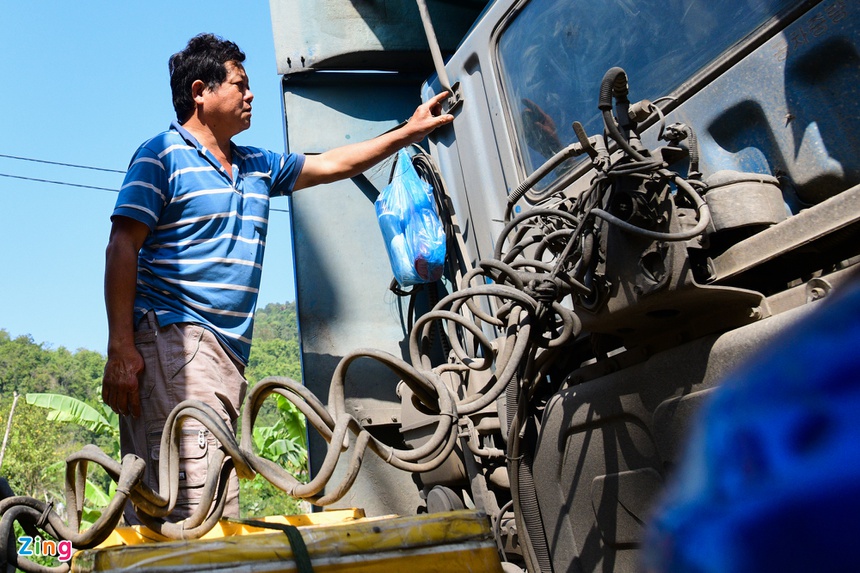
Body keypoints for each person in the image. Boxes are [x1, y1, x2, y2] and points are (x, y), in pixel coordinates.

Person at [101, 33, 453, 523]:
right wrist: (121, 348)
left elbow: (332, 163)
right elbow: (122, 247)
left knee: (199, 510)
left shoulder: (256, 165)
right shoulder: (161, 154)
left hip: (223, 354)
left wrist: (408, 131)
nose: (251, 95)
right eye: (241, 85)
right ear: (200, 92)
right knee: (194, 512)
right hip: (176, 343)